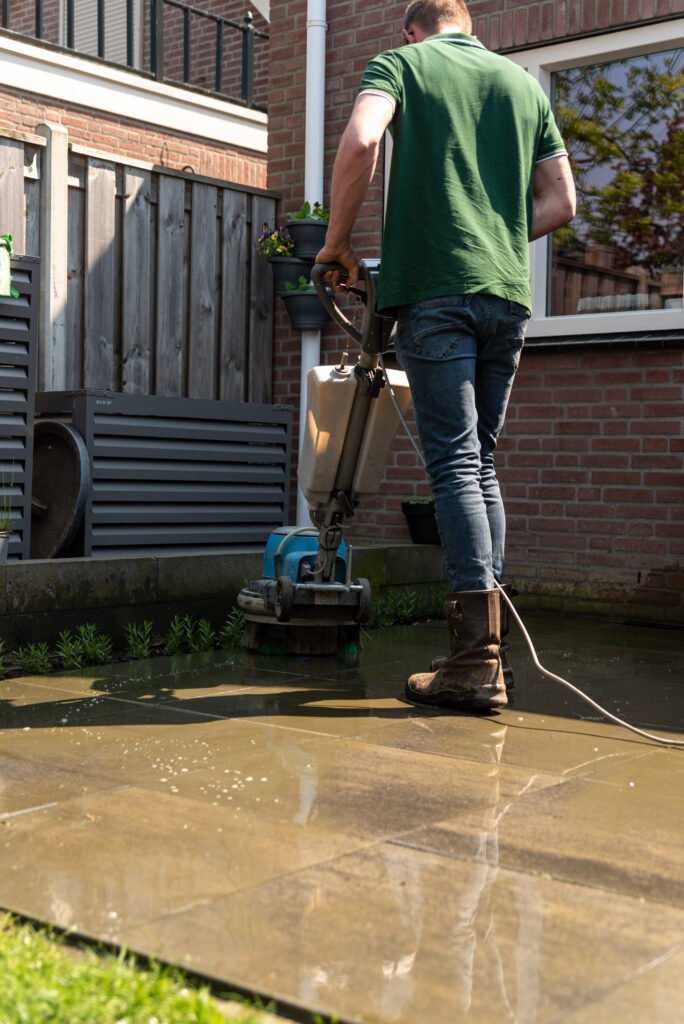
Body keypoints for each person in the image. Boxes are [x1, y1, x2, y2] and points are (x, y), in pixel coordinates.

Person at [316, 0, 576, 712]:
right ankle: (489, 653)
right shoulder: (523, 84)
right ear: (467, 23)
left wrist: (336, 244)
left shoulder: (401, 64)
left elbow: (362, 140)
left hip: (436, 293)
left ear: (413, 29)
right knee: (481, 463)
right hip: (507, 298)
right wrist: (493, 235)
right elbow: (562, 203)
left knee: (456, 465)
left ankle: (474, 661)